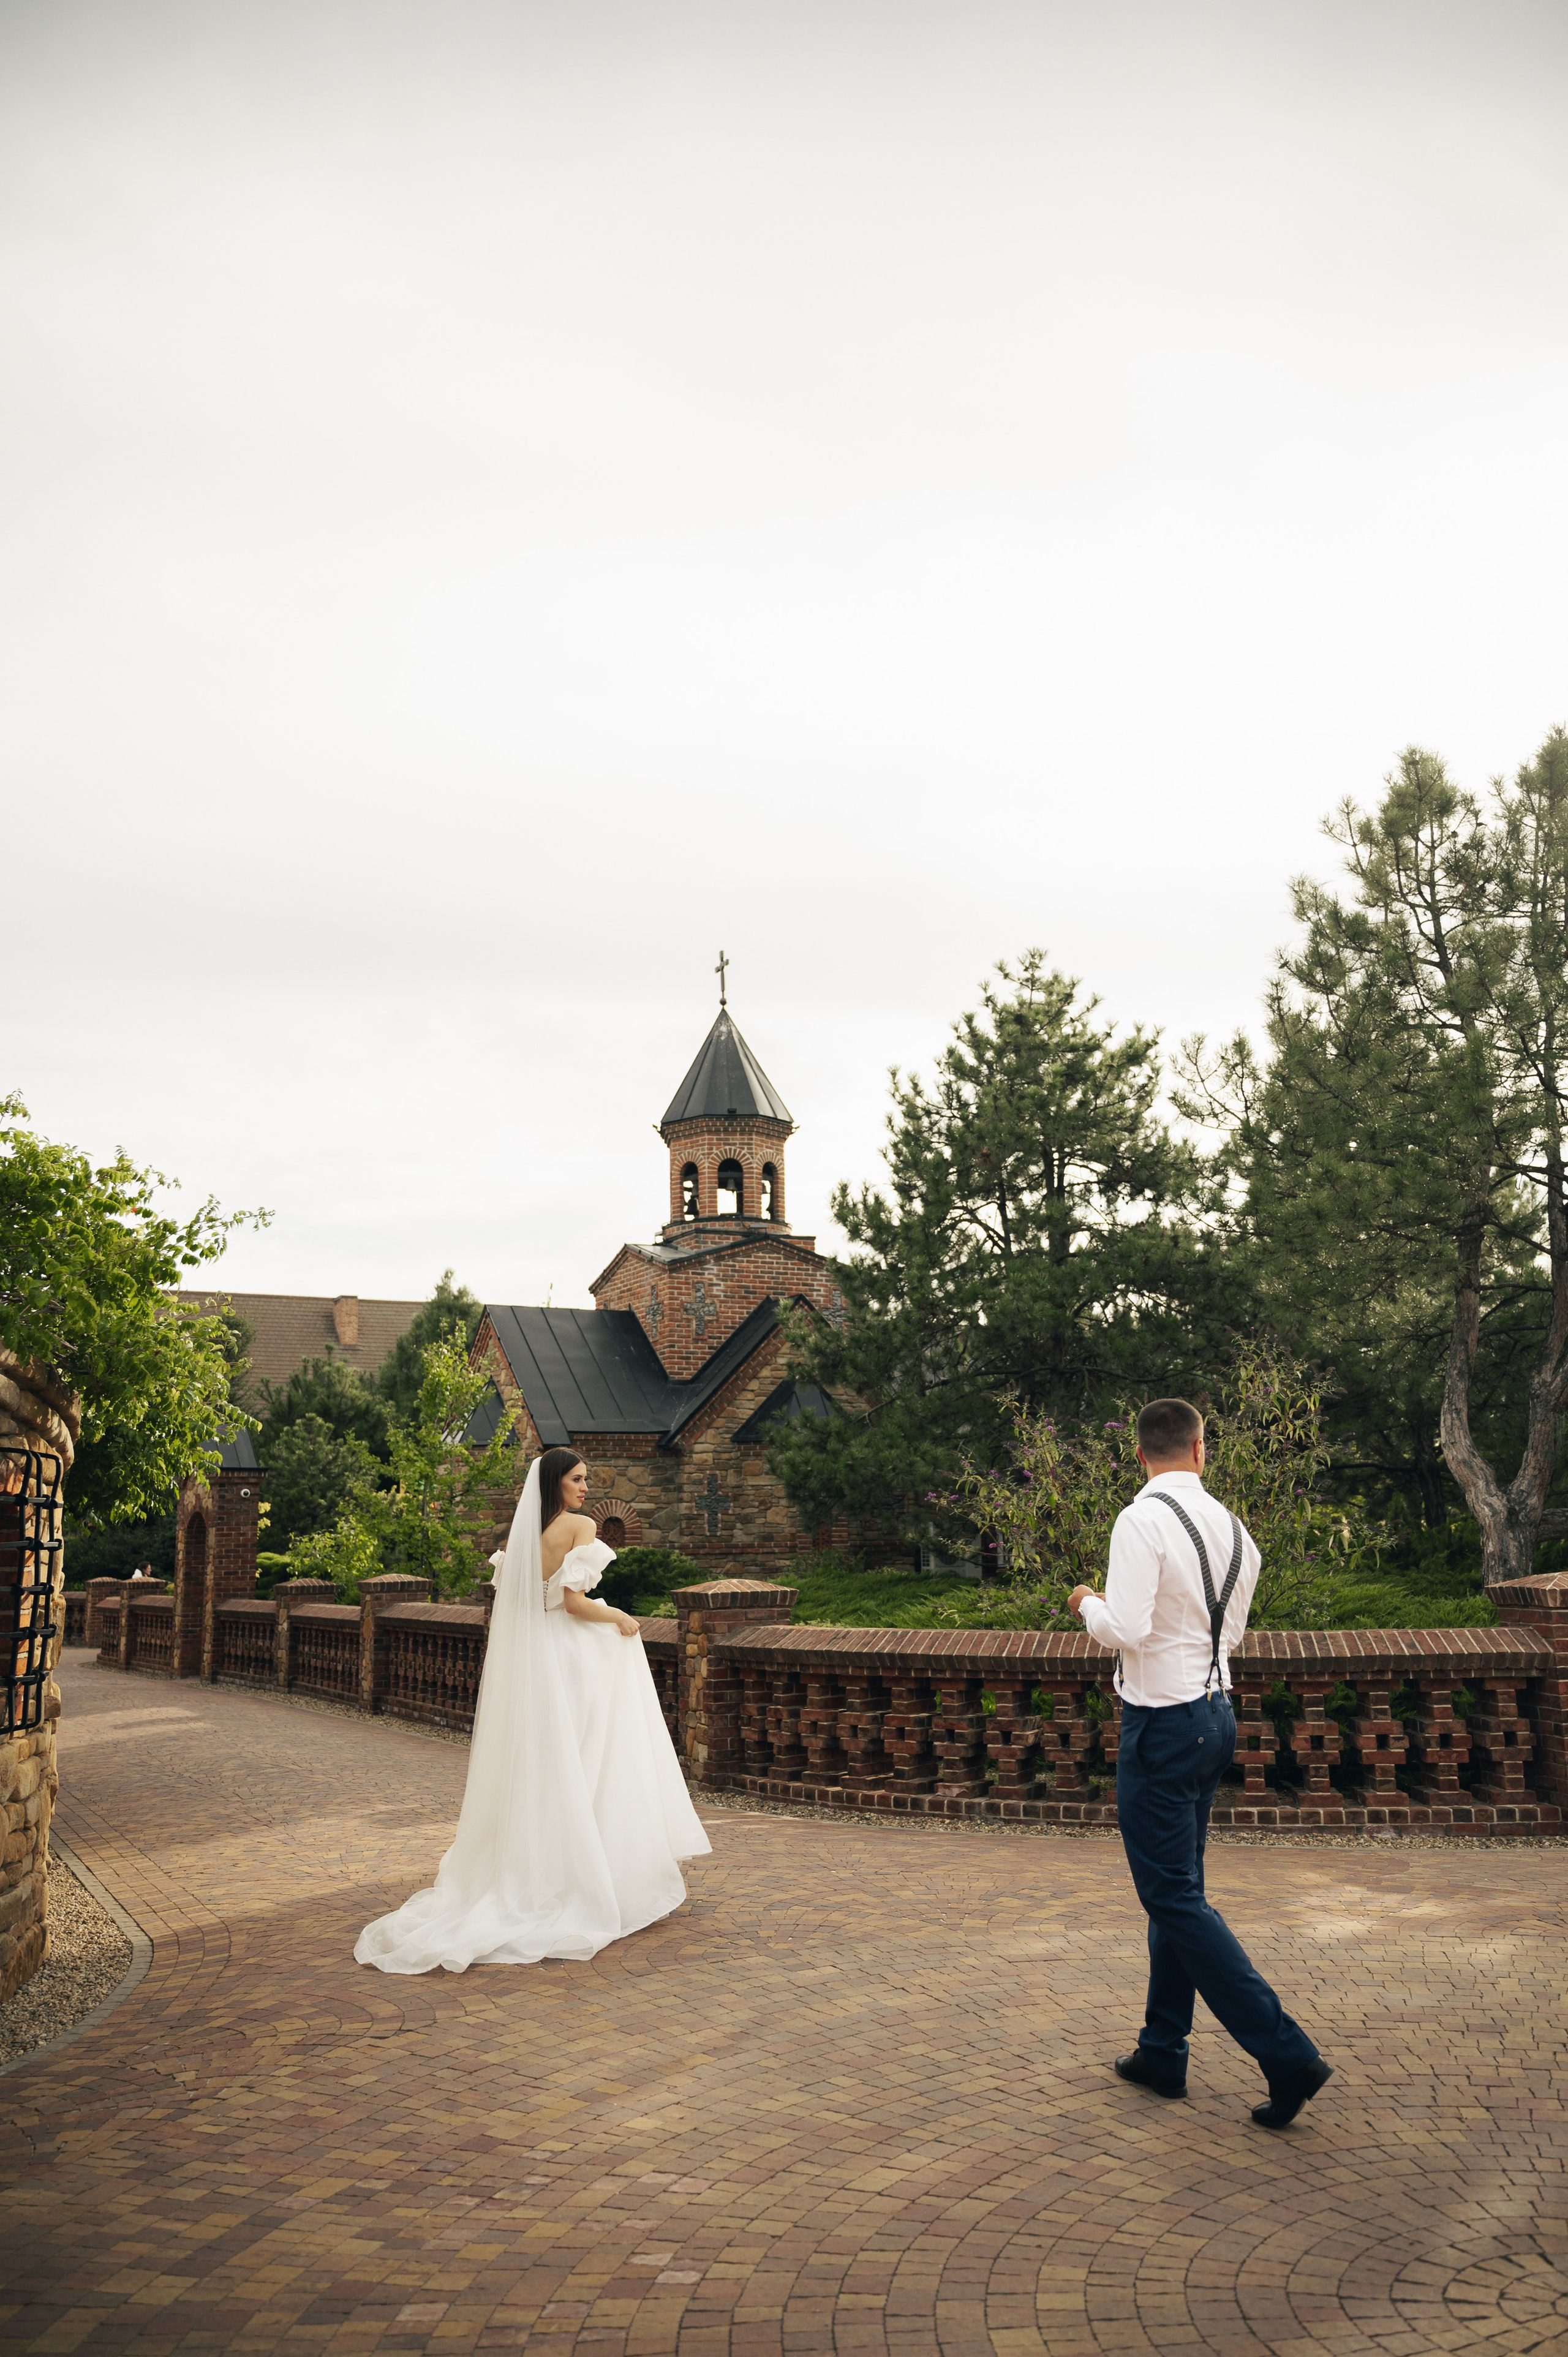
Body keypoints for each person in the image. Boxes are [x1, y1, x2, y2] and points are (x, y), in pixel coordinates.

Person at [1068, 1397, 1332, 2130]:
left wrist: (1085, 1600)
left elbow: (1124, 1627)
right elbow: (1234, 1632)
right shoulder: (1236, 1529)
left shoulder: (1140, 1519)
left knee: (1175, 1897)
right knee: (1178, 1891)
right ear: (1199, 1449)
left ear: (1139, 1451)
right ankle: (1162, 2051)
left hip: (1160, 1723)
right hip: (1215, 1715)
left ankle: (1287, 2053)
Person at [355, 1447, 711, 1972]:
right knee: (593, 1755)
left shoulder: (523, 1538)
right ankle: (589, 1874)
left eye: (587, 1479)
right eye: (578, 1479)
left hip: (539, 1659)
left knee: (548, 1765)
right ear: (556, 1483)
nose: (586, 1488)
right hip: (572, 1654)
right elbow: (572, 1602)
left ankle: (542, 1867)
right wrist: (617, 1615)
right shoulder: (579, 1528)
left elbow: (523, 1606)